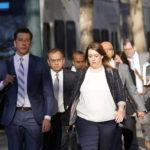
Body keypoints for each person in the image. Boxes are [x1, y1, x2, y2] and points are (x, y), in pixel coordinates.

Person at [0, 28, 54, 150]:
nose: (23, 43)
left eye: (27, 40)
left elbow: (48, 93)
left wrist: (47, 117)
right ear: (15, 43)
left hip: (34, 117)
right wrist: (3, 83)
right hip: (12, 116)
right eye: (20, 40)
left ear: (30, 43)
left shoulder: (40, 64)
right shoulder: (4, 65)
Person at [66, 42, 126, 150]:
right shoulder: (81, 74)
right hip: (85, 120)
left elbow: (120, 93)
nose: (93, 59)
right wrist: (70, 118)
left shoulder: (112, 73)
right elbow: (74, 95)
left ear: (102, 56)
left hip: (108, 121)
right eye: (90, 56)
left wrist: (121, 110)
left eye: (96, 56)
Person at [43, 48, 76, 150]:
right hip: (46, 118)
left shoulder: (72, 77)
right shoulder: (43, 77)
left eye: (59, 60)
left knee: (62, 145)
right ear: (48, 62)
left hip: (63, 118)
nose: (56, 63)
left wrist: (71, 121)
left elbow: (75, 100)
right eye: (53, 60)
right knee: (46, 145)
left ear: (63, 60)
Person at [114, 51, 146, 150]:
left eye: (118, 59)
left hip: (127, 108)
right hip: (112, 109)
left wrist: (137, 108)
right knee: (116, 139)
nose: (116, 61)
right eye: (115, 59)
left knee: (130, 136)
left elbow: (132, 89)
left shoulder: (128, 71)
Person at [123, 39, 150, 149]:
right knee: (135, 123)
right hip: (130, 97)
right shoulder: (123, 60)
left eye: (129, 49)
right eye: (125, 50)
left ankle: (147, 139)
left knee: (146, 122)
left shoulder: (145, 56)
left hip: (144, 93)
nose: (127, 51)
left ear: (134, 47)